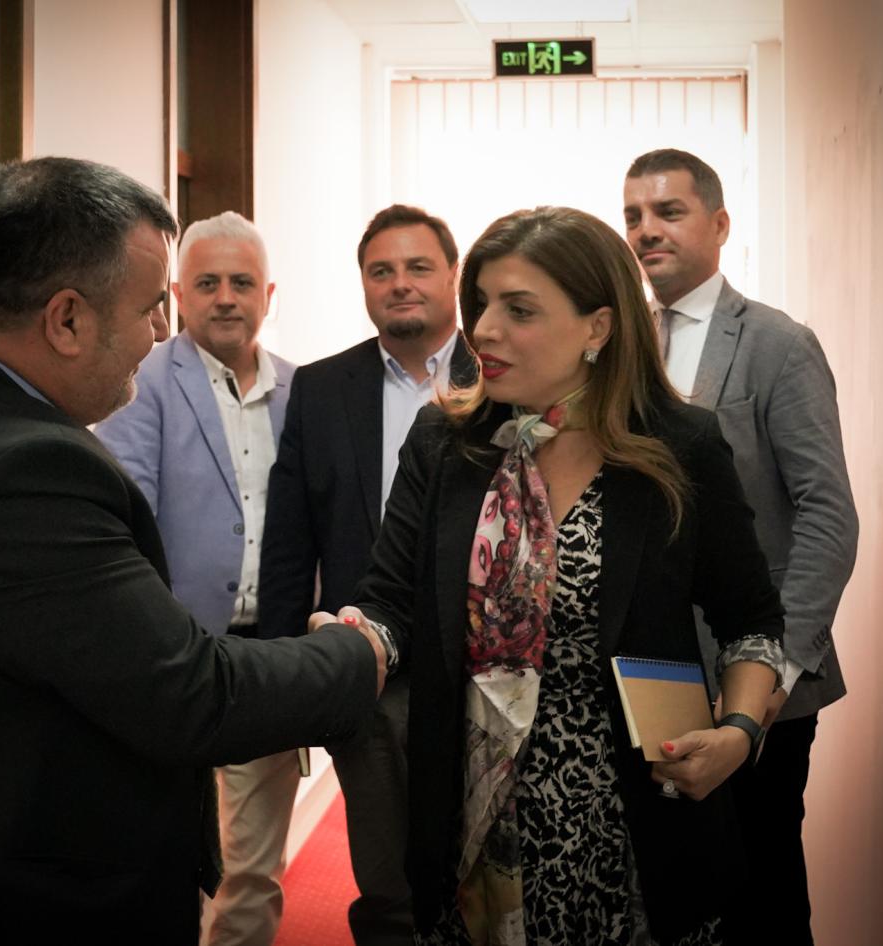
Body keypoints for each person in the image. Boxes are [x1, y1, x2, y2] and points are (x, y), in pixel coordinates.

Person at [0, 157, 387, 946]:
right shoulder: (25, 475)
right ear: (66, 320)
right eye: (152, 308)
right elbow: (190, 693)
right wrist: (359, 652)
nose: (161, 334)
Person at [330, 207, 786, 945]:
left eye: (519, 310)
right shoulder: (446, 442)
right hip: (474, 827)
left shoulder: (677, 448)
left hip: (630, 827)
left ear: (597, 328)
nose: (482, 330)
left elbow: (752, 624)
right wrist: (352, 639)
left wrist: (738, 732)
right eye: (481, 303)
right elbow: (387, 601)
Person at [623, 149, 858, 945]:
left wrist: (774, 673)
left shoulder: (777, 344)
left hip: (760, 688)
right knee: (669, 895)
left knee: (762, 895)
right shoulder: (620, 347)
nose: (647, 230)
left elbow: (828, 515)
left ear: (720, 224)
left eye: (669, 211)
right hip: (652, 676)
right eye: (633, 216)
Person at [261, 204, 474, 946]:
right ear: (363, 284)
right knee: (385, 881)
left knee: (479, 872)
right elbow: (290, 541)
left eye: (418, 267)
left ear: (454, 275)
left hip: (481, 669)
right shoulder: (322, 388)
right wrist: (291, 675)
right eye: (381, 271)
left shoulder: (501, 373)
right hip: (368, 668)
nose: (400, 283)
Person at [95, 211, 299, 946]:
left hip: (267, 656)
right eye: (206, 283)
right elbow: (128, 521)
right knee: (159, 856)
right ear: (178, 295)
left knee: (253, 868)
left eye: (242, 282)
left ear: (268, 295)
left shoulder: (301, 390)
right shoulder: (141, 381)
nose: (225, 298)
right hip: (170, 658)